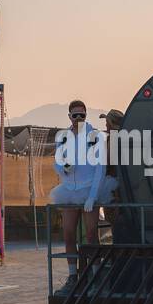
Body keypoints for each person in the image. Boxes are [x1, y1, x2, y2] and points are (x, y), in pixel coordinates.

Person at [49, 99, 116, 293]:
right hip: (69, 190)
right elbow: (57, 163)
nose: (78, 118)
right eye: (75, 115)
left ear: (86, 116)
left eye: (82, 115)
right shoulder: (62, 137)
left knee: (91, 234)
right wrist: (64, 169)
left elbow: (100, 169)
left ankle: (95, 276)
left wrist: (92, 197)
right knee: (69, 234)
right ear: (69, 116)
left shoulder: (94, 136)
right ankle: (72, 276)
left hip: (89, 190)